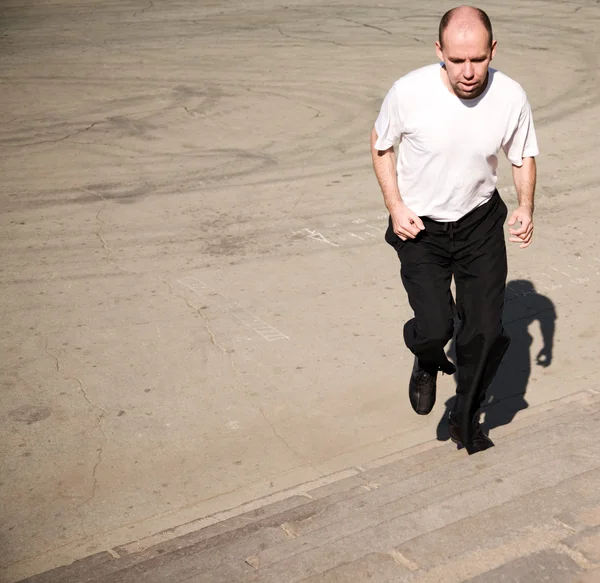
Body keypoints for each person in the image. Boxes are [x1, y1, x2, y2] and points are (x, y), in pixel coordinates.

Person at [370, 5, 539, 454]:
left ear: (493, 51)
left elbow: (521, 154)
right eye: (457, 59)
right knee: (435, 326)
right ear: (439, 51)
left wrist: (525, 205)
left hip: (479, 223)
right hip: (419, 229)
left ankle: (465, 418)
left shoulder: (509, 95)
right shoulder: (408, 93)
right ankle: (425, 357)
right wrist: (394, 205)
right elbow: (382, 145)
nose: (468, 71)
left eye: (478, 59)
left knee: (482, 332)